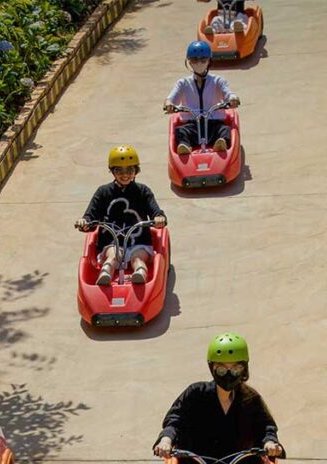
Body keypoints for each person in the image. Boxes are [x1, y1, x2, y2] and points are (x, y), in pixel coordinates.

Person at [153, 332, 283, 464]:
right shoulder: (196, 393)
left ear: (245, 368)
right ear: (212, 368)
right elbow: (175, 418)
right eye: (222, 368)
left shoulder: (250, 399)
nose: (229, 373)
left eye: (235, 368)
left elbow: (266, 426)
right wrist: (166, 439)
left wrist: (270, 442)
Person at [74, 145, 167, 286]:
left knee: (137, 258)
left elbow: (155, 210)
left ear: (136, 170)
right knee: (113, 255)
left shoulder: (143, 191)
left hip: (139, 242)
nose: (125, 174)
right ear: (112, 171)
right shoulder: (103, 192)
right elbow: (91, 215)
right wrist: (85, 222)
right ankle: (105, 275)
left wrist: (158, 218)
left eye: (130, 170)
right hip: (112, 242)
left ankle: (140, 274)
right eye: (119, 170)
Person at [163, 41, 240, 155]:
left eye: (203, 60)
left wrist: (233, 98)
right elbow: (170, 98)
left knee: (224, 130)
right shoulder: (183, 83)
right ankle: (184, 147)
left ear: (209, 61)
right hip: (192, 123)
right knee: (180, 131)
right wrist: (168, 104)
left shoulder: (218, 81)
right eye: (194, 60)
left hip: (213, 122)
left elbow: (228, 93)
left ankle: (220, 145)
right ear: (189, 61)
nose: (199, 63)